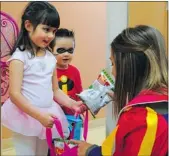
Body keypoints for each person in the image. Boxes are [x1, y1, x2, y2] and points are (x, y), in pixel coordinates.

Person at [1, 2, 86, 156]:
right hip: (26, 116)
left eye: (54, 31)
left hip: (47, 114)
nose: (51, 36)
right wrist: (38, 115)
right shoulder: (19, 58)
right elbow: (15, 94)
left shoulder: (50, 58)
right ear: (28, 25)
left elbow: (55, 90)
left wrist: (72, 104)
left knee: (43, 153)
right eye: (46, 30)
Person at [72, 25, 168, 156]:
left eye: (113, 63)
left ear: (127, 67)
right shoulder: (160, 101)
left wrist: (90, 151)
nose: (112, 71)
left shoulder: (141, 119)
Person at [50, 28, 83, 115]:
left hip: (72, 114)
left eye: (70, 50)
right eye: (61, 50)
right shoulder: (49, 71)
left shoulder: (75, 71)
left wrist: (80, 112)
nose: (66, 54)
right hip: (54, 116)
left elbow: (79, 94)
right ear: (51, 50)